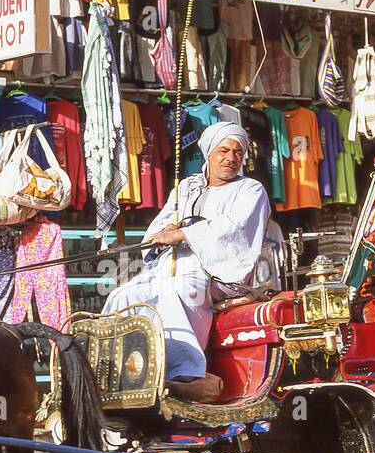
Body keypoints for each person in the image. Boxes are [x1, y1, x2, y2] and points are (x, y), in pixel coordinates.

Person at [103, 121, 271, 404]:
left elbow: (234, 229)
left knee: (178, 288)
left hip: (215, 271)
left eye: (238, 152)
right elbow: (161, 223)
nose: (231, 157)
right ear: (209, 154)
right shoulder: (186, 187)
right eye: (224, 151)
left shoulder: (250, 190)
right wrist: (160, 236)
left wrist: (183, 234)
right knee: (125, 294)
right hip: (172, 262)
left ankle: (185, 373)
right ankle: (115, 367)